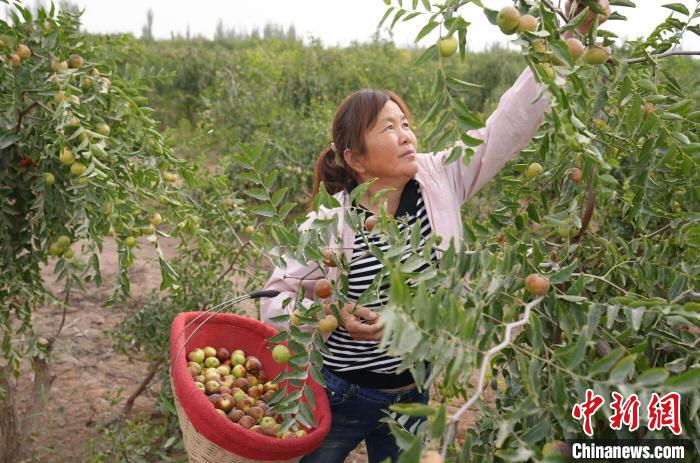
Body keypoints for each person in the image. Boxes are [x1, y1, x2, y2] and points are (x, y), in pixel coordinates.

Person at [260, 66, 553, 463]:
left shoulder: (440, 181)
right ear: (355, 159)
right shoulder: (330, 224)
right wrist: (331, 312)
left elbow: (503, 130)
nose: (406, 136)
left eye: (406, 124)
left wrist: (555, 54)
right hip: (340, 393)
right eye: (388, 128)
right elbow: (274, 298)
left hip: (412, 396)